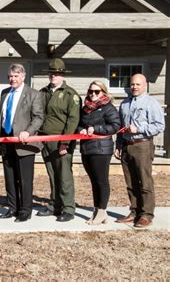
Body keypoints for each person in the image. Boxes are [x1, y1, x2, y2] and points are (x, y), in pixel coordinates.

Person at [114, 73, 165, 228]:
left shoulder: (151, 103)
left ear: (145, 85)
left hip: (142, 145)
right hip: (127, 145)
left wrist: (139, 129)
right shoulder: (124, 104)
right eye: (132, 84)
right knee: (130, 182)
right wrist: (118, 145)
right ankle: (135, 211)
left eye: (138, 84)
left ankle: (147, 214)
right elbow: (121, 128)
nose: (134, 87)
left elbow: (159, 125)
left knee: (144, 181)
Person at [0, 64, 45, 222]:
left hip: (24, 143)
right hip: (6, 140)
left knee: (24, 179)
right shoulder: (4, 93)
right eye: (10, 76)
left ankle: (25, 210)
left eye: (16, 76)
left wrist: (28, 131)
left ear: (23, 77)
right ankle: (12, 208)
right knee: (9, 178)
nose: (12, 79)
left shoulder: (33, 94)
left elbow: (38, 117)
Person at [38, 58, 81, 222]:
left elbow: (73, 120)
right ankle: (54, 205)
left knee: (64, 176)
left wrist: (65, 142)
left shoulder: (71, 95)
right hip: (45, 140)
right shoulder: (43, 92)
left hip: (62, 142)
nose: (53, 76)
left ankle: (68, 208)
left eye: (57, 73)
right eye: (51, 73)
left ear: (62, 75)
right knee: (52, 174)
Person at [78, 81, 120, 225]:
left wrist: (96, 128)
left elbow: (115, 126)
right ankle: (98, 210)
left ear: (103, 92)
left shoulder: (108, 108)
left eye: (97, 91)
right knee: (94, 181)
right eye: (91, 91)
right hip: (86, 148)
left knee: (101, 181)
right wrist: (81, 130)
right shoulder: (85, 108)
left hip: (101, 149)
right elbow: (79, 124)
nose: (93, 94)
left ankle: (102, 210)